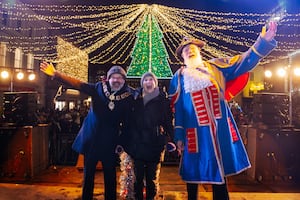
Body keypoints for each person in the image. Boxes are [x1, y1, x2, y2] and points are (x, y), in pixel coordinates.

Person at [168, 21, 277, 200]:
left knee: (220, 170)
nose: (190, 50)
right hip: (194, 132)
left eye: (193, 48)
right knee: (193, 171)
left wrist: (262, 42)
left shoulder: (216, 67)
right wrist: (178, 136)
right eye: (186, 50)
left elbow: (243, 61)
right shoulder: (178, 77)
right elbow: (178, 110)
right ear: (182, 57)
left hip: (219, 130)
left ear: (199, 52)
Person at [40, 62, 134, 200]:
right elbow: (78, 84)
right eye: (113, 77)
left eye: (120, 78)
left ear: (124, 80)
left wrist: (122, 142)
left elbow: (127, 122)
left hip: (110, 142)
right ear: (108, 78)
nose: (116, 80)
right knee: (88, 176)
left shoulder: (128, 96)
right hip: (92, 140)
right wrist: (56, 74)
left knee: (110, 177)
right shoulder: (97, 88)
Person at [129, 72, 173, 200]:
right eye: (146, 80)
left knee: (151, 178)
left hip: (155, 143)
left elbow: (167, 121)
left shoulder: (162, 100)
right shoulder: (135, 98)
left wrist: (173, 139)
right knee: (137, 178)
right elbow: (129, 120)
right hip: (138, 143)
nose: (148, 82)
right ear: (142, 83)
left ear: (155, 83)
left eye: (151, 80)